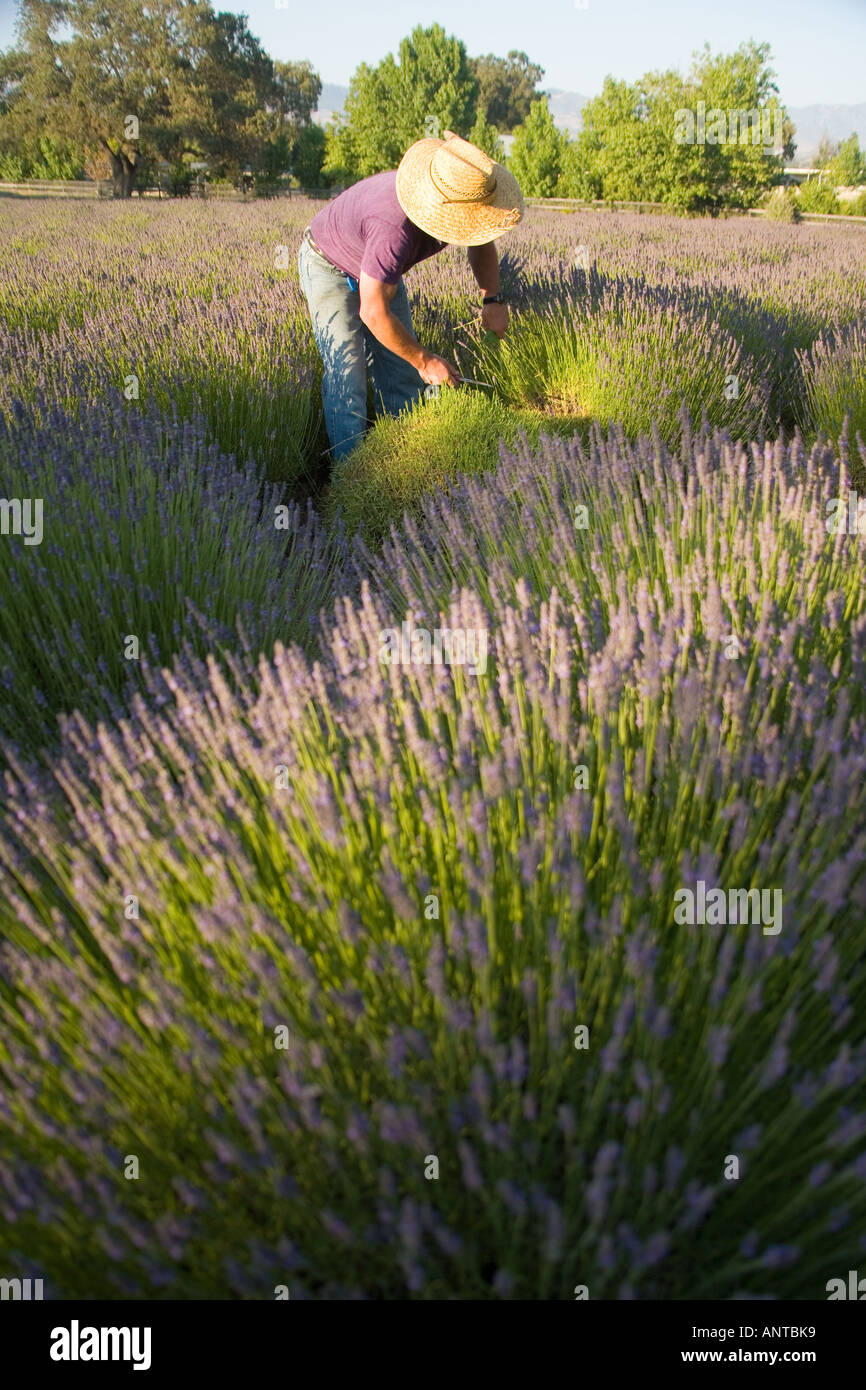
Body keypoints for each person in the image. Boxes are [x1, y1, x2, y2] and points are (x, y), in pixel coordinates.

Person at [297, 131, 524, 461]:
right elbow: (373, 312)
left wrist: (492, 299)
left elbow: (481, 241)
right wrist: (426, 360)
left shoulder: (456, 195)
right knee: (348, 378)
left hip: (378, 269)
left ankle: (406, 468)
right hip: (328, 263)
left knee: (402, 377)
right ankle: (352, 481)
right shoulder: (395, 227)